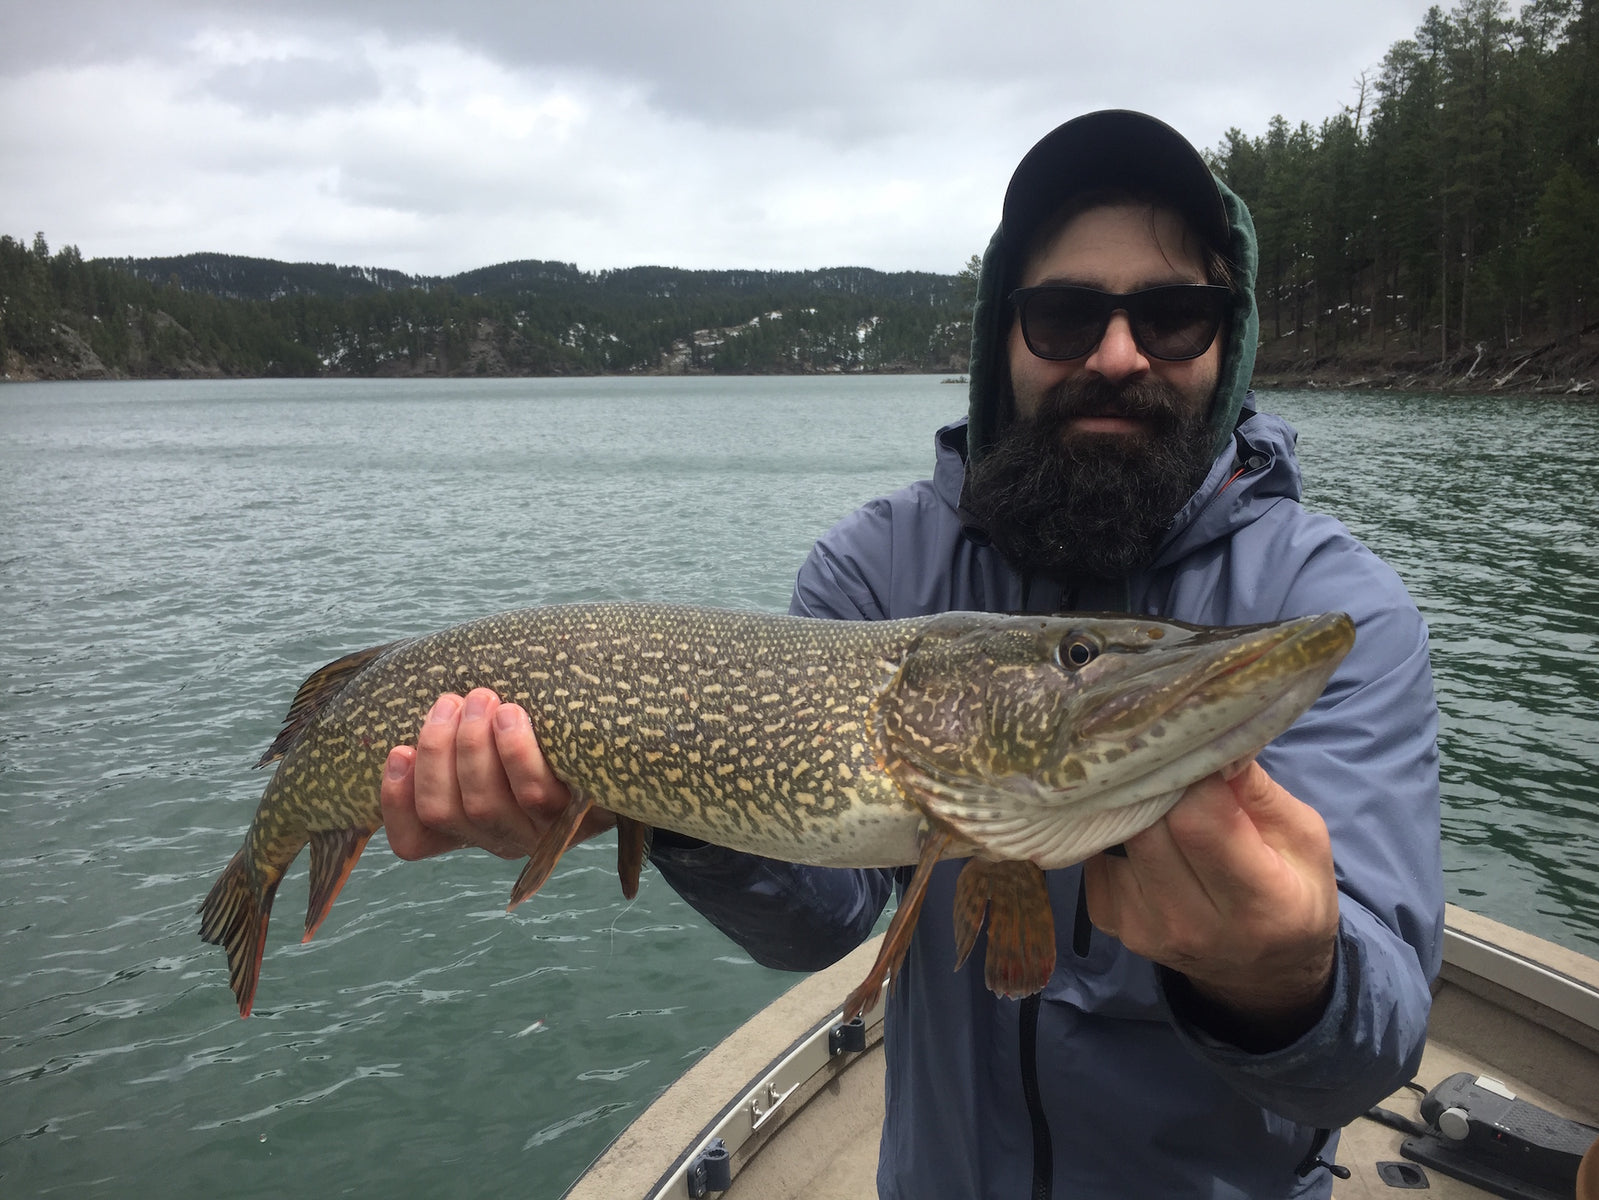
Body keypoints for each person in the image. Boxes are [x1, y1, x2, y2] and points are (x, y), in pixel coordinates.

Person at [379, 110, 1444, 1198]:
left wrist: (1286, 977)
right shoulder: (875, 565)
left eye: (1173, 315)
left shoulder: (1328, 607)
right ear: (1003, 338)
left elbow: (1371, 1053)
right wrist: (655, 792)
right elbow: (819, 917)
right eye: (1066, 314)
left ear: (1228, 341)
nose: (1118, 355)